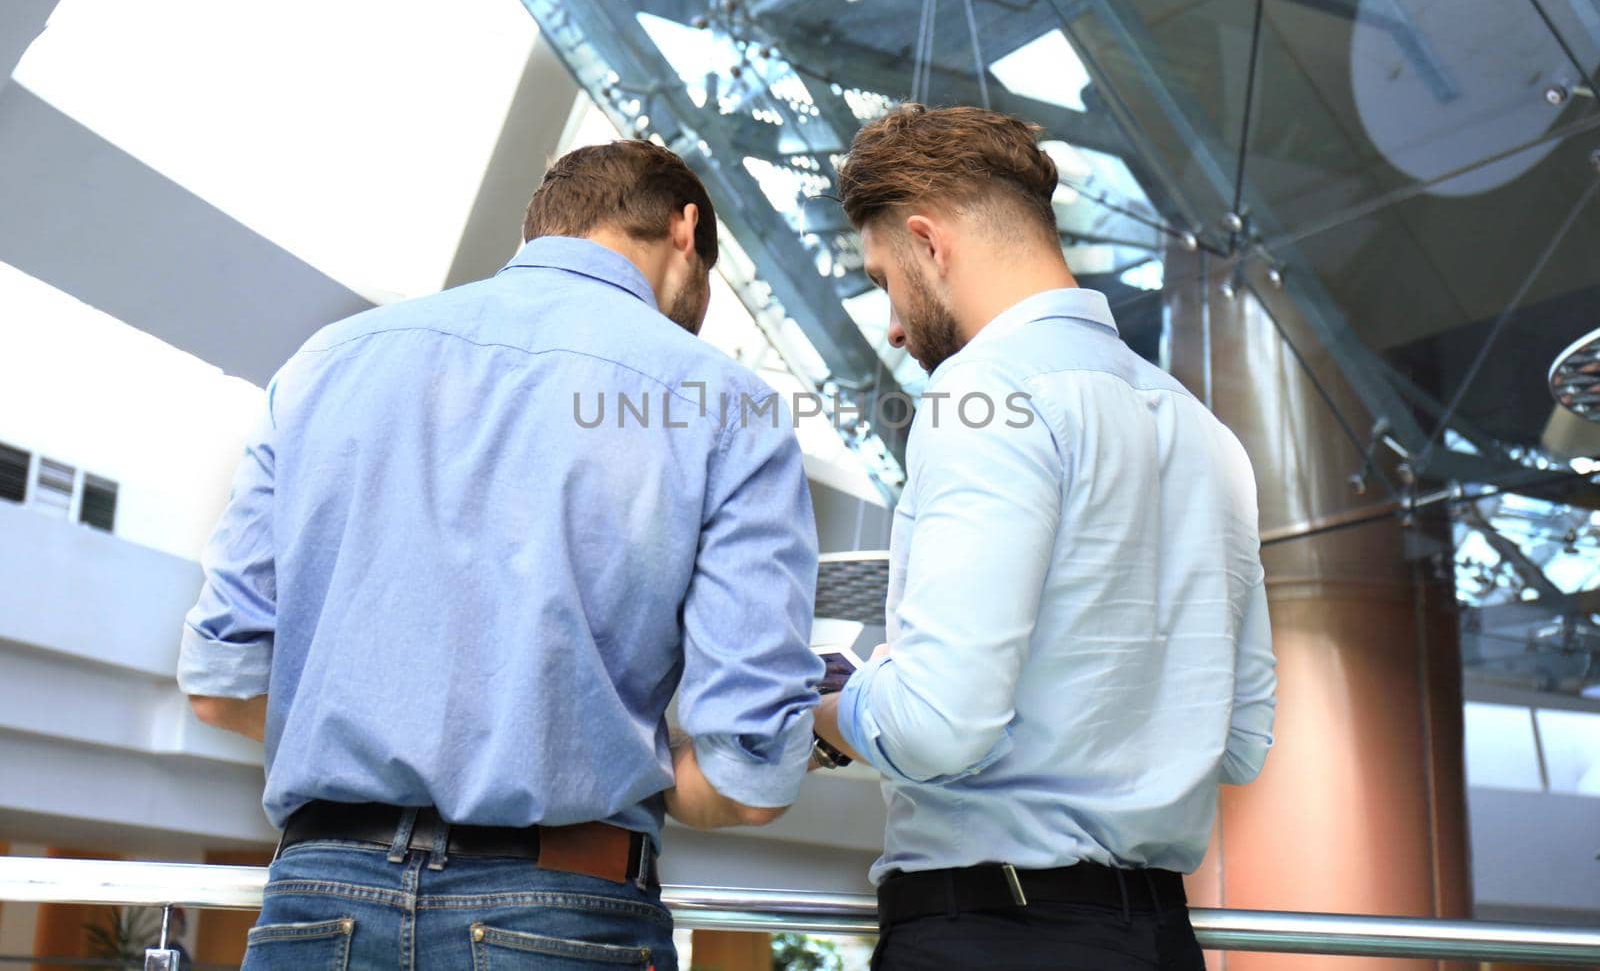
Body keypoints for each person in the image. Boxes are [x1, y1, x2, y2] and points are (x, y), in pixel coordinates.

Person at [178, 140, 823, 970]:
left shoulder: (326, 362)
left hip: (319, 903)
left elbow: (220, 684)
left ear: (542, 230)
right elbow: (749, 775)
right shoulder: (725, 403)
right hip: (561, 912)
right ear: (685, 230)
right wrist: (591, 752)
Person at [811, 105, 1277, 970]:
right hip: (1160, 945)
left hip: (993, 938)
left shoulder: (981, 396)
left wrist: (831, 709)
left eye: (883, 281)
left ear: (929, 241)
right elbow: (1241, 741)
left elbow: (939, 725)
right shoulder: (1206, 432)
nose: (895, 327)